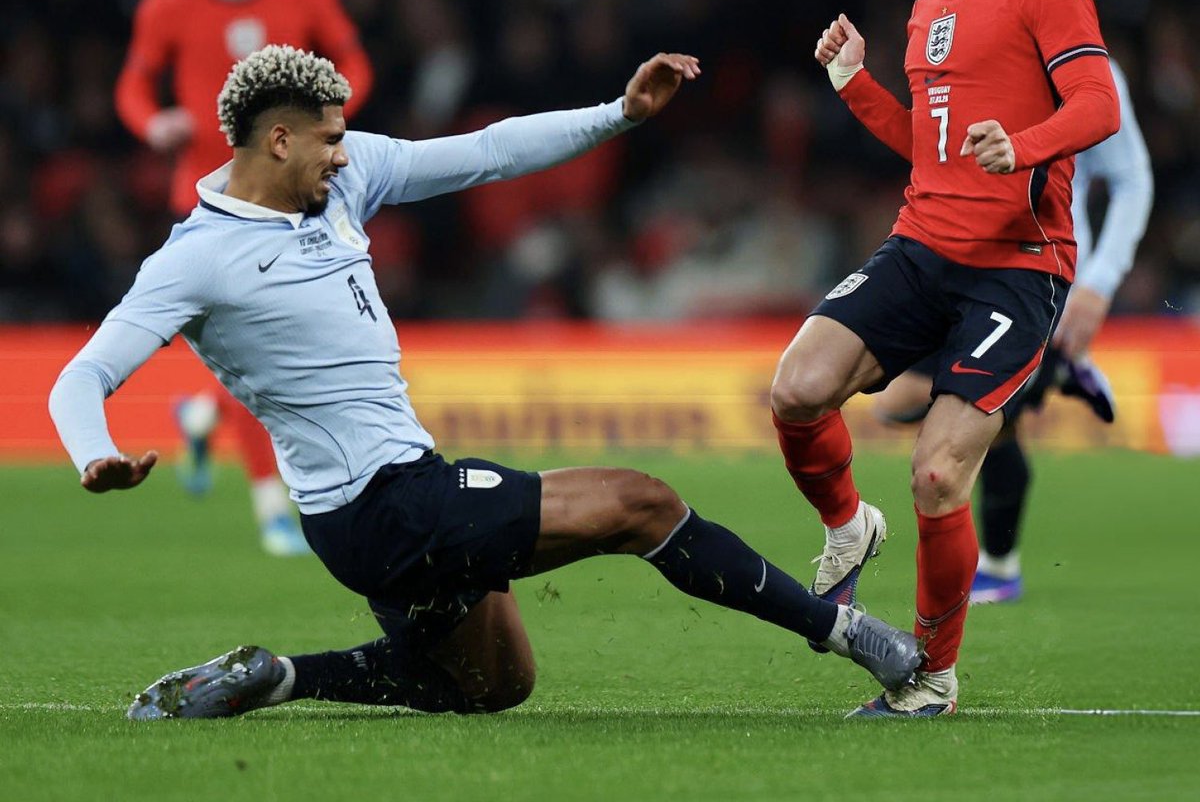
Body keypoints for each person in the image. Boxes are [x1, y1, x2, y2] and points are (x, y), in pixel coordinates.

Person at [50, 44, 922, 721]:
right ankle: (851, 636)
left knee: (493, 685)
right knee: (642, 504)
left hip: (379, 506)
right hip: (380, 504)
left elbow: (486, 152)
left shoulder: (342, 182)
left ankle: (278, 677)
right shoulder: (197, 259)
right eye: (326, 138)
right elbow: (83, 375)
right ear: (277, 139)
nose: (342, 153)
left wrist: (618, 113)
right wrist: (96, 454)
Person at [769, 0, 1120, 718]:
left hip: (1018, 263)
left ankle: (931, 674)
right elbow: (927, 151)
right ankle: (849, 526)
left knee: (936, 471)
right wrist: (856, 87)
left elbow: (1098, 105)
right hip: (923, 243)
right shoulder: (931, 5)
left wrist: (1032, 143)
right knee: (797, 388)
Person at [872, 0, 1154, 605]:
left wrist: (1099, 283)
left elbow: (1132, 178)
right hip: (959, 256)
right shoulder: (974, 41)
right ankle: (1059, 378)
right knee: (950, 418)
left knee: (944, 412)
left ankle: (999, 561)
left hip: (1036, 268)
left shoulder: (1088, 70)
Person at [114, 0, 374, 556]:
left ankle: (202, 419)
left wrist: (331, 126)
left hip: (288, 193)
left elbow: (355, 64)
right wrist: (152, 124)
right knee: (255, 350)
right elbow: (133, 85)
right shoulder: (169, 2)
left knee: (260, 350)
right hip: (207, 202)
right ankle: (271, 505)